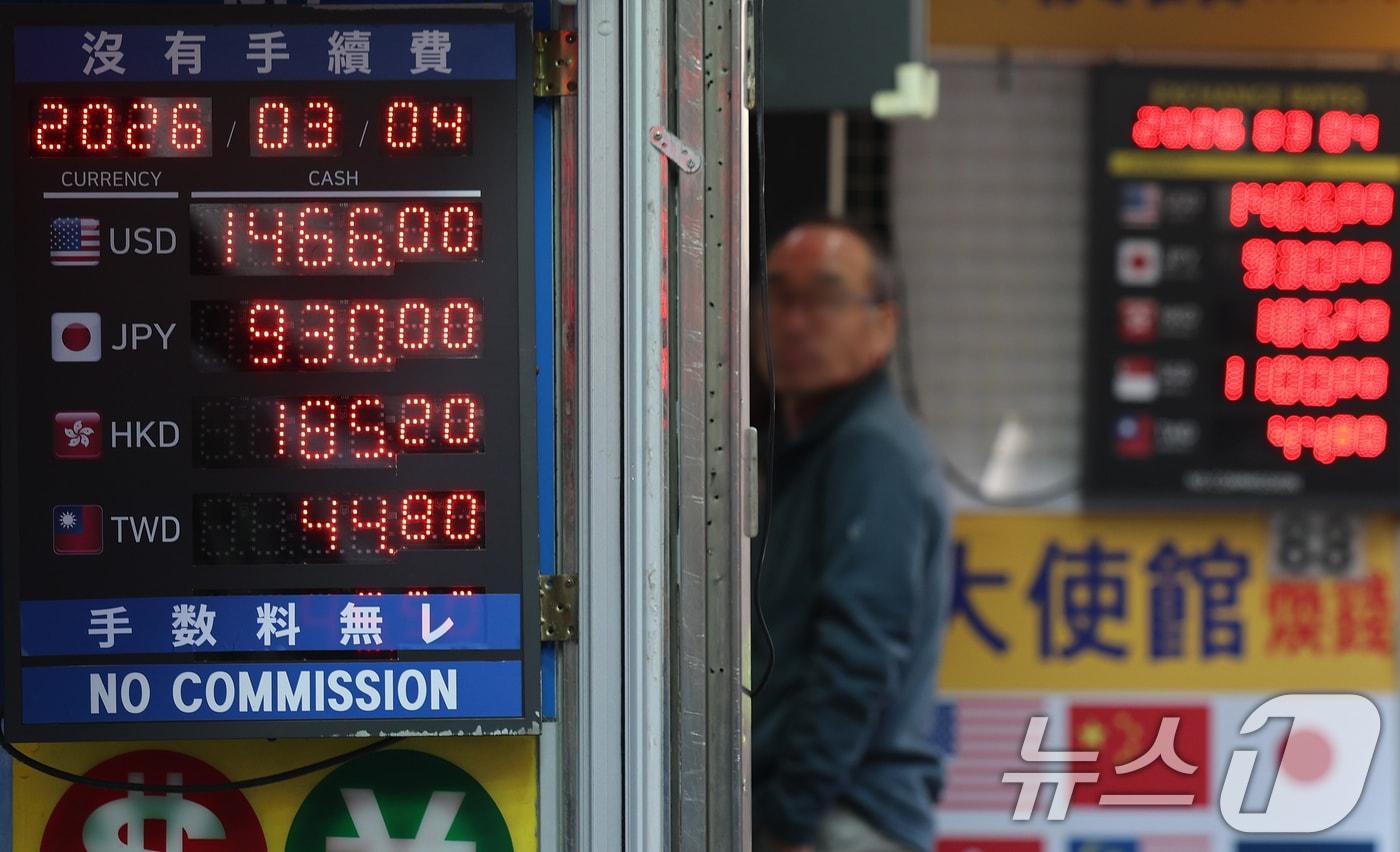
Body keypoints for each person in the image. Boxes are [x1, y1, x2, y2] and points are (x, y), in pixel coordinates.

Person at [752, 219, 951, 852]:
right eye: (780, 296)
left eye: (827, 298)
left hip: (840, 818)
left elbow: (859, 655)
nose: (797, 321)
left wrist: (786, 819)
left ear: (884, 324)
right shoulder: (815, 443)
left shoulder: (870, 448)